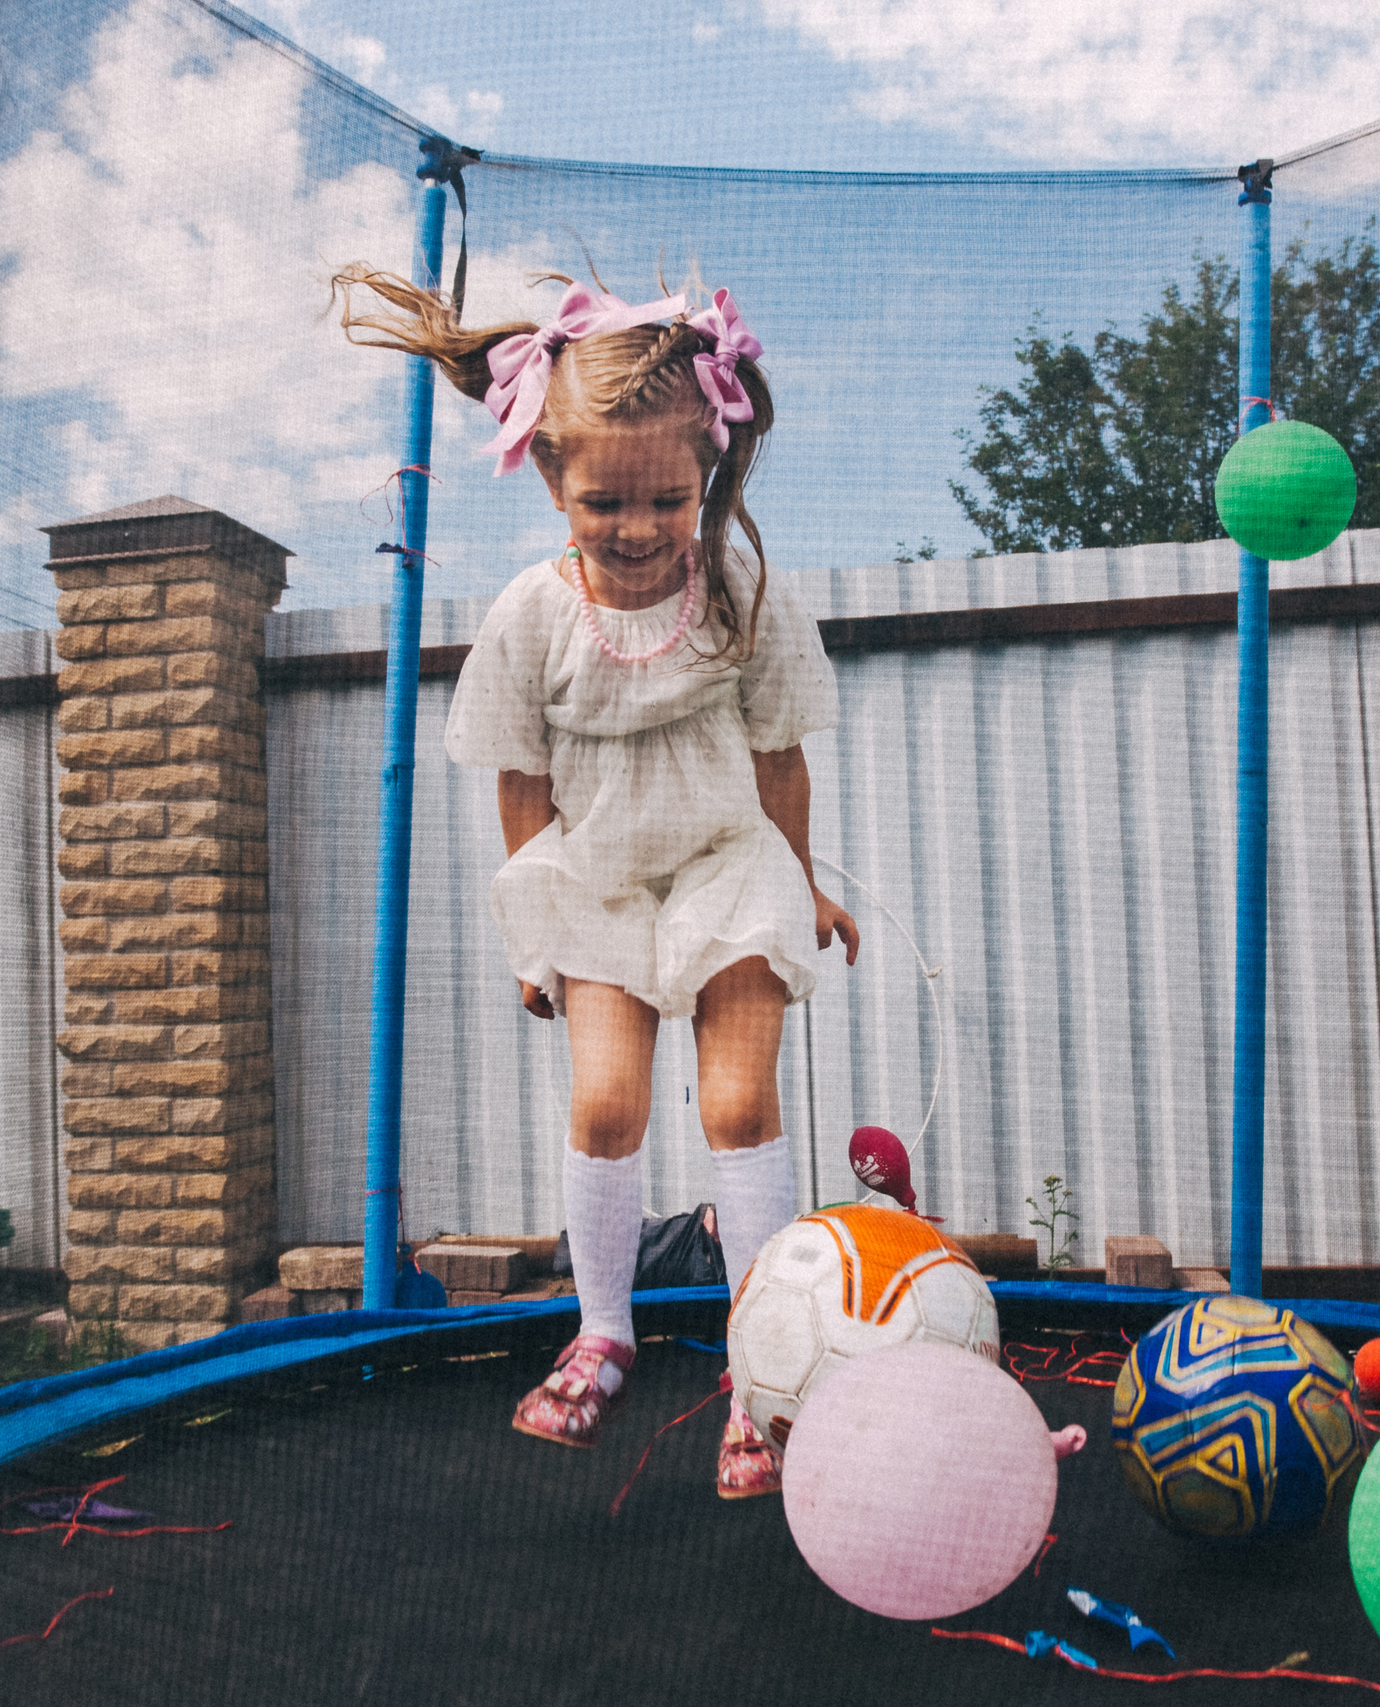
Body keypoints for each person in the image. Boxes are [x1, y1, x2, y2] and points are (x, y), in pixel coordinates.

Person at [337, 269, 858, 1499]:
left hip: (730, 871)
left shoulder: (742, 596)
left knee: (736, 1108)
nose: (636, 525)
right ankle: (604, 1330)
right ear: (549, 477)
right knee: (608, 1108)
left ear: (710, 474)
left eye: (667, 498)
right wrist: (538, 935)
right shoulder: (532, 617)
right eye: (602, 500)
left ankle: (762, 1360)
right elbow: (522, 785)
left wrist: (801, 884)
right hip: (603, 890)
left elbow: (779, 759)